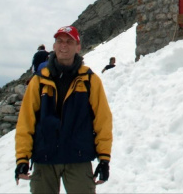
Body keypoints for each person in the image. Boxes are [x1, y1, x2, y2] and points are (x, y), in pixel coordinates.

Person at [15, 26, 113, 194]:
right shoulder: (39, 81)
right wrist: (22, 158)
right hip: (44, 158)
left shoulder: (90, 80)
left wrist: (104, 158)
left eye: (69, 42)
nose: (64, 46)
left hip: (78, 158)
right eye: (59, 41)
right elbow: (26, 121)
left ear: (78, 47)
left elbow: (102, 120)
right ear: (54, 46)